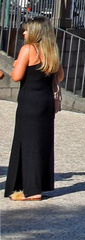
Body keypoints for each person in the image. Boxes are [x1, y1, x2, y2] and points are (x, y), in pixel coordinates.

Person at [5, 18, 62, 201]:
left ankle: (31, 190)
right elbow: (60, 77)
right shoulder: (51, 51)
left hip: (29, 102)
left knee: (26, 143)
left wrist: (16, 65)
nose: (23, 33)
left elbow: (16, 77)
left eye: (27, 30)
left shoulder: (28, 49)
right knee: (41, 143)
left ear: (36, 32)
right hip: (45, 102)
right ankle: (37, 185)